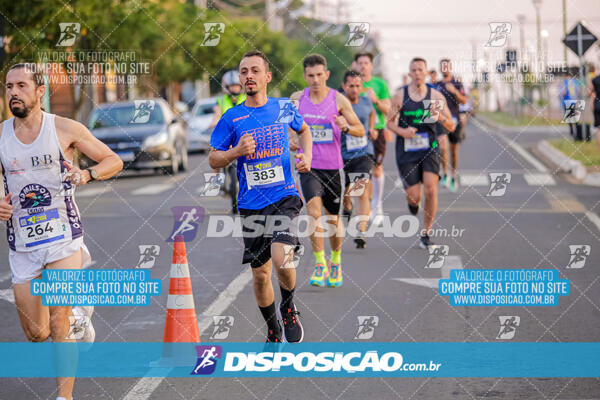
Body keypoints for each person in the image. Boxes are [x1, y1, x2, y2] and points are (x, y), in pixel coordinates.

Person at [1, 63, 123, 400]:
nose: (13, 93)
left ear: (40, 92)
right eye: (9, 86)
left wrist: (87, 175)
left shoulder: (64, 128)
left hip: (63, 238)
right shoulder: (0, 136)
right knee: (37, 332)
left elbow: (113, 160)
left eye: (21, 86)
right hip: (22, 244)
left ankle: (64, 397)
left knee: (58, 321)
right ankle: (81, 310)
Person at [209, 51, 312, 343]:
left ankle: (289, 306)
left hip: (285, 195)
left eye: (255, 71)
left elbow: (304, 131)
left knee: (282, 256)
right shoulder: (232, 117)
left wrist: (307, 157)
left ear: (267, 77)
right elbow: (214, 159)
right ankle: (272, 328)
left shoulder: (283, 108)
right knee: (260, 275)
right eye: (243, 72)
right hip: (251, 204)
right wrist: (235, 152)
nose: (248, 76)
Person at [291, 54, 364, 288]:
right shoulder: (296, 99)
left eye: (319, 75)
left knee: (332, 219)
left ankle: (335, 260)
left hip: (333, 167)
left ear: (327, 75)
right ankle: (320, 263)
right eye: (310, 76)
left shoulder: (338, 100)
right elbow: (287, 130)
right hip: (308, 166)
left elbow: (360, 130)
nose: (315, 80)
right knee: (313, 214)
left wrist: (346, 127)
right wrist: (292, 140)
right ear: (305, 76)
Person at [387, 57, 455, 248]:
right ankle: (413, 204)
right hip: (407, 150)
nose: (417, 73)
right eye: (414, 70)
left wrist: (440, 115)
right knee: (414, 196)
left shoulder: (436, 97)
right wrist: (403, 132)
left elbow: (451, 125)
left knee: (431, 190)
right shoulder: (400, 96)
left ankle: (426, 233)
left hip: (430, 148)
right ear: (409, 74)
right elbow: (389, 122)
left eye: (420, 70)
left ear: (426, 73)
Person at [340, 70, 377, 248]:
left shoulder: (366, 101)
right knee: (347, 191)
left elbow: (372, 113)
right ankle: (347, 205)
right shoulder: (337, 101)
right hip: (341, 154)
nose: (354, 90)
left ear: (361, 87)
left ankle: (361, 230)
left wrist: (371, 128)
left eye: (357, 86)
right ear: (344, 86)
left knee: (361, 188)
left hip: (363, 151)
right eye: (351, 86)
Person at [354, 52, 391, 226]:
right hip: (358, 133)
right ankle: (365, 206)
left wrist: (375, 99)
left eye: (366, 63)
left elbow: (387, 110)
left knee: (376, 169)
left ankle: (378, 205)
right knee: (363, 173)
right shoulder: (352, 84)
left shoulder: (379, 84)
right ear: (355, 65)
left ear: (371, 66)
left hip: (377, 131)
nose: (363, 66)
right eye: (360, 63)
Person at [435, 59, 467, 192]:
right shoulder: (437, 85)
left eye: (446, 66)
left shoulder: (457, 83)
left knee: (453, 150)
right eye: (442, 66)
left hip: (455, 119)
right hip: (441, 120)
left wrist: (454, 91)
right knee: (443, 147)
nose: (444, 69)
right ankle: (445, 174)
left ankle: (453, 174)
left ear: (450, 68)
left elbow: (464, 100)